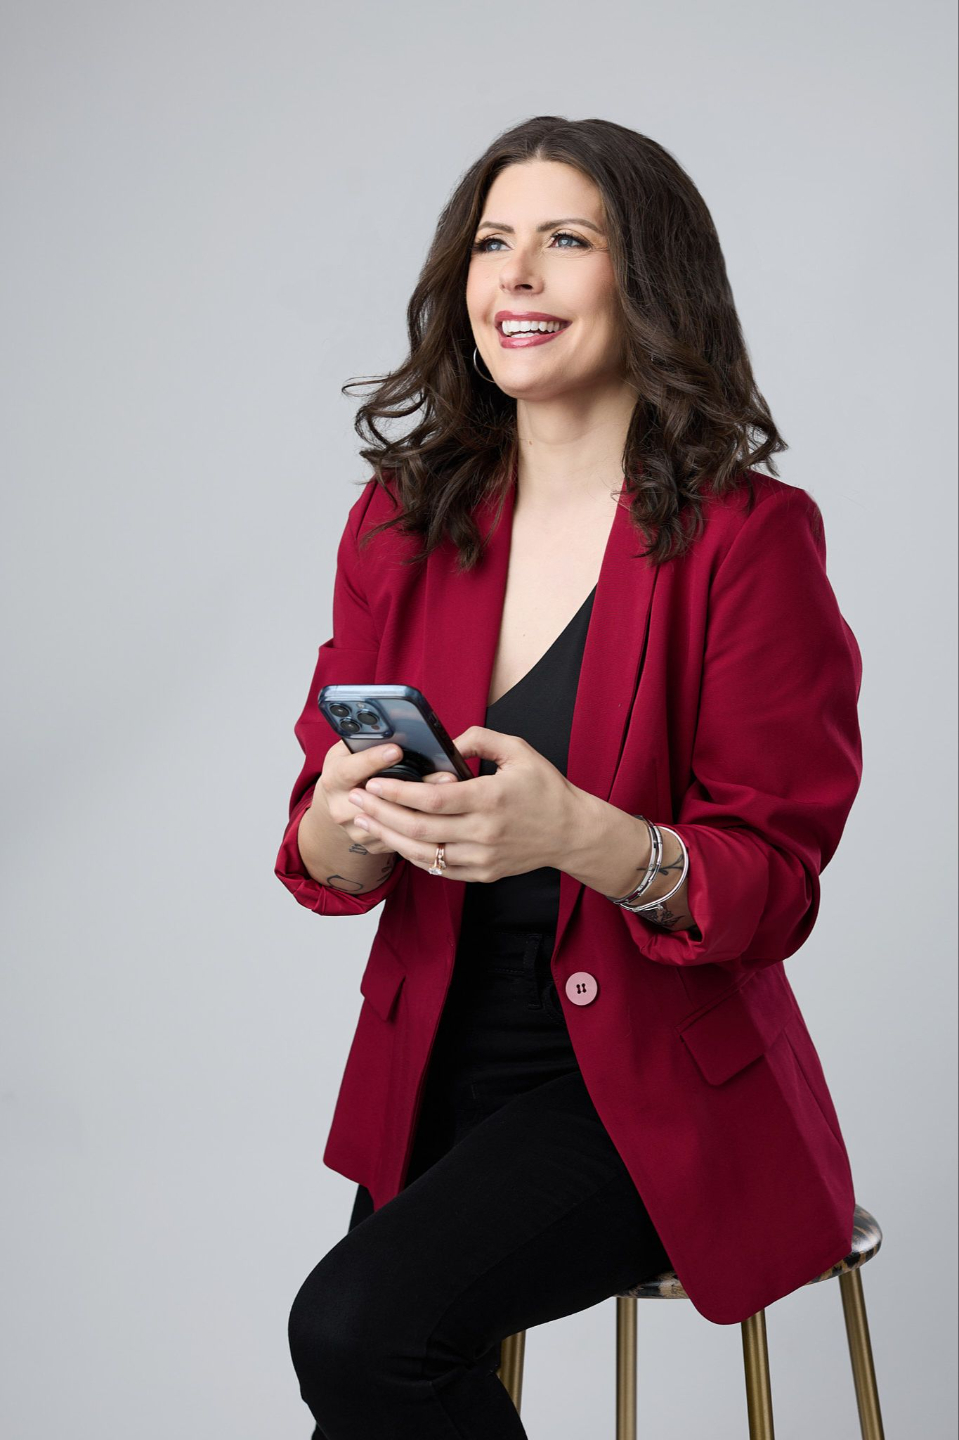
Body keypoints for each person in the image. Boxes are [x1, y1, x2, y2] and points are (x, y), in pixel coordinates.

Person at [276, 116, 864, 1438]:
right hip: (433, 1069)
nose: (517, 277)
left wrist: (579, 834)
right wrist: (347, 819)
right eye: (493, 243)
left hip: (648, 1094)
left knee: (361, 1336)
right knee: (368, 1378)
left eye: (565, 240)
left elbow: (776, 885)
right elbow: (320, 850)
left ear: (647, 277)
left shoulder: (749, 540)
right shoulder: (399, 522)